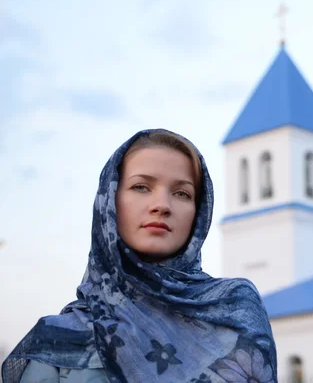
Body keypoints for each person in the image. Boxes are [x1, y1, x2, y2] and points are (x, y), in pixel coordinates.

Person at [1, 129, 278, 382]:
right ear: (109, 201)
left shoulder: (233, 310)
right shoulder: (57, 339)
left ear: (199, 211)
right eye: (141, 187)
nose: (161, 205)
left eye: (182, 193)